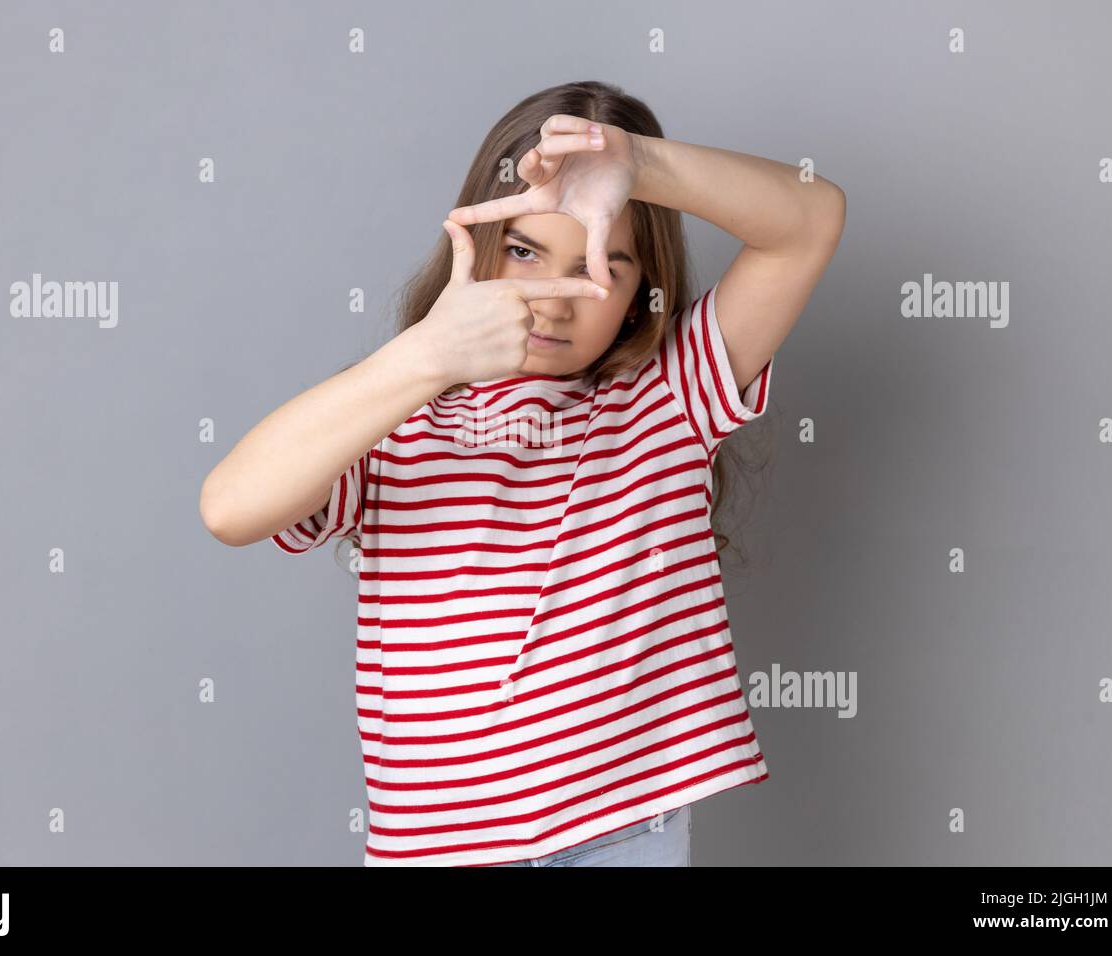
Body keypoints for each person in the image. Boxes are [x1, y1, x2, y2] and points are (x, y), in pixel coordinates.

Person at [199, 80, 845, 867]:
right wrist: (427, 356)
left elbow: (810, 221)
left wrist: (638, 166)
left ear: (644, 294)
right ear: (474, 238)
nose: (555, 299)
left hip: (624, 839)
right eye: (526, 251)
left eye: (601, 266)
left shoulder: (670, 392)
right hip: (440, 853)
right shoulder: (396, 413)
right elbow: (230, 507)